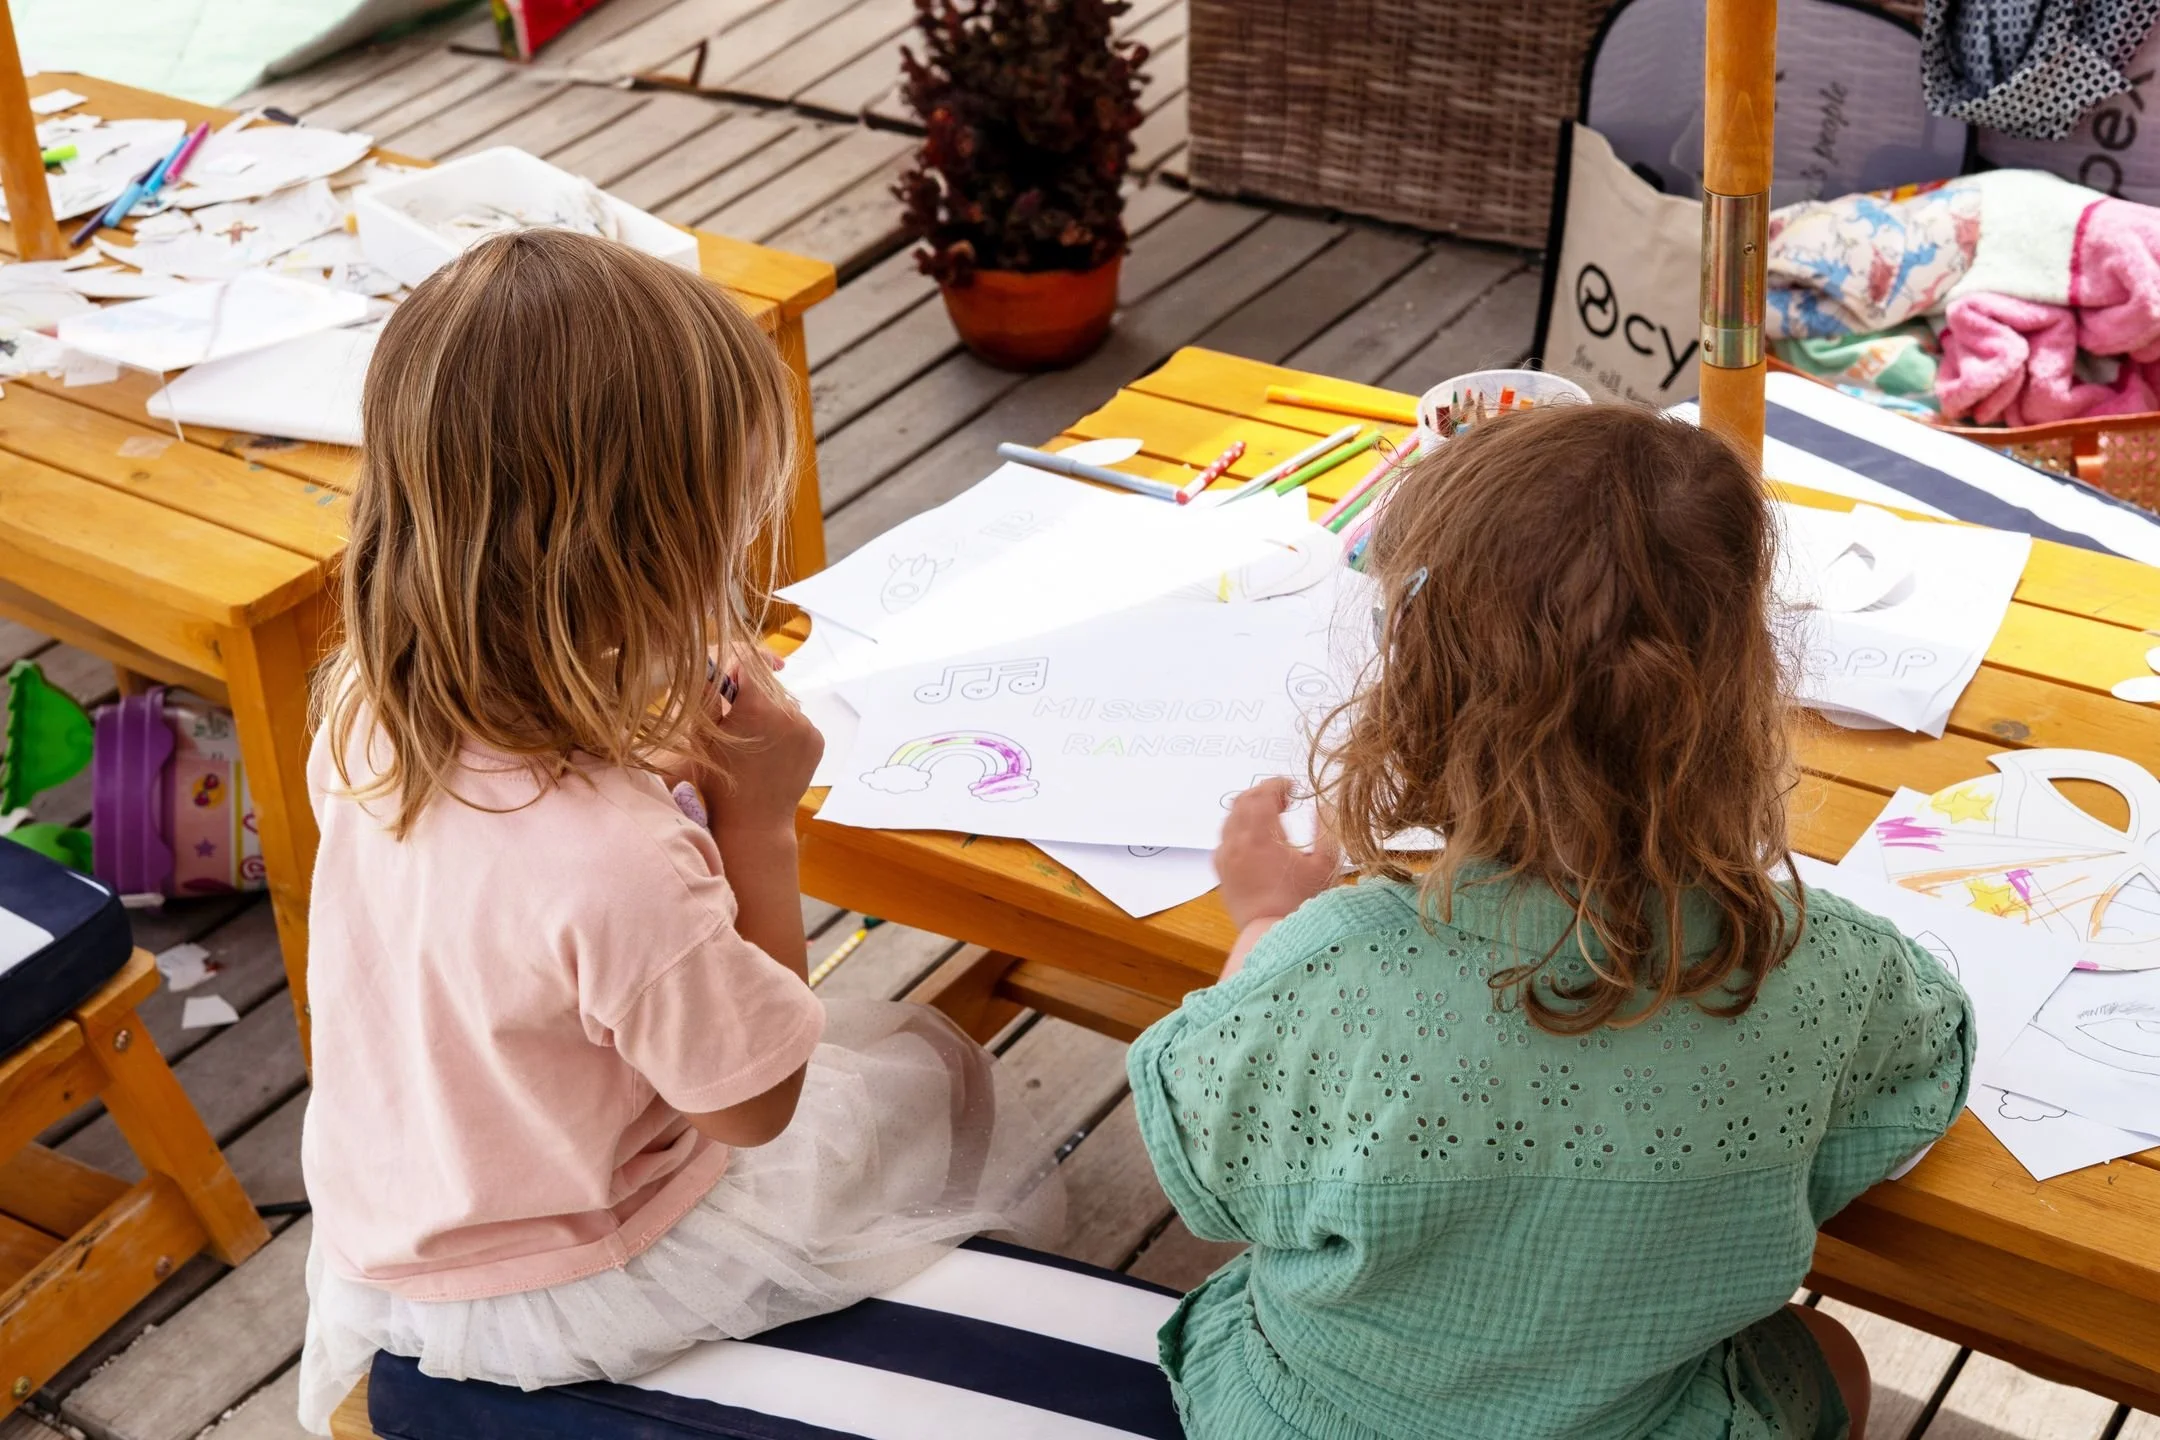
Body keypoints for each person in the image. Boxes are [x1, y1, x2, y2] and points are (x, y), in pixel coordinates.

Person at [295, 230, 1058, 1433]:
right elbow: (758, 1107)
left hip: (402, 1202)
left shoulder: (363, 707)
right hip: (585, 1267)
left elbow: (499, 895)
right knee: (942, 1080)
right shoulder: (615, 864)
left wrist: (630, 758)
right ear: (645, 556)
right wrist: (758, 823)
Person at [1129, 405, 1974, 1440]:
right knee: (1833, 1359)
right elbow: (1923, 1067)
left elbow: (1217, 1176)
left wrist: (1263, 921)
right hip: (1634, 1414)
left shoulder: (1328, 970)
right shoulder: (1825, 963)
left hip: (1323, 1418)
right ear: (1748, 679)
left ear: (1419, 677)